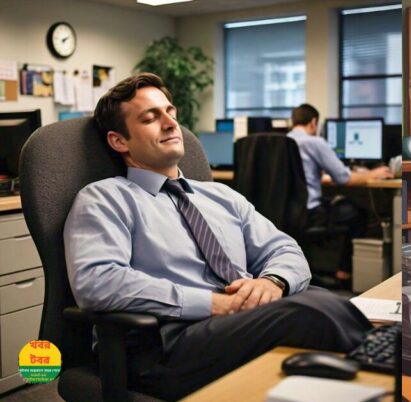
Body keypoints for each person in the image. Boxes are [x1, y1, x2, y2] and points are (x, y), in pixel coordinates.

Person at [63, 73, 371, 400]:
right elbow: (98, 281)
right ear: (119, 141)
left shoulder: (220, 195)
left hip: (234, 327)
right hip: (166, 343)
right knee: (311, 313)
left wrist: (272, 282)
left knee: (325, 300)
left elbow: (283, 247)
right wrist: (214, 304)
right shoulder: (104, 198)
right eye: (150, 118)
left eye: (171, 112)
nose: (170, 123)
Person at [287, 104, 393, 286]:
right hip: (310, 214)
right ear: (313, 123)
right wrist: (374, 174)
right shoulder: (314, 142)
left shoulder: (281, 142)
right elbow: (344, 178)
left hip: (286, 212)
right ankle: (343, 272)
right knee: (357, 213)